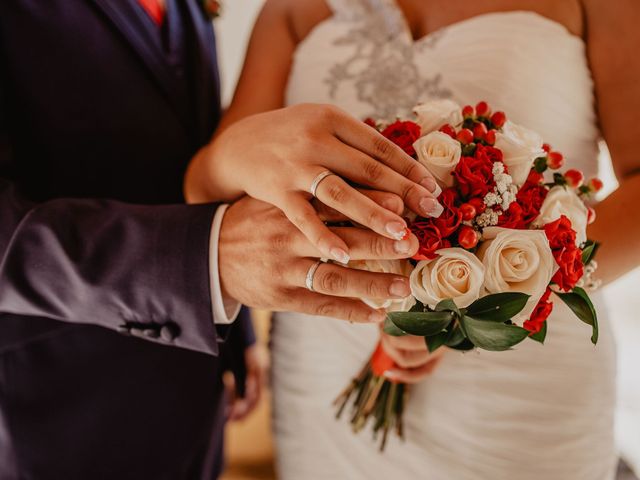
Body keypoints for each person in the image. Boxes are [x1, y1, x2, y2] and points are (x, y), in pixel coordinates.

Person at [184, 0, 640, 479]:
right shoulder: (292, 10)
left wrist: (488, 301)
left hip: (521, 383)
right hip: (328, 361)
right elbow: (207, 191)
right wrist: (235, 153)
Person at [0, 0, 442, 478]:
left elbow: (193, 156)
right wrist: (207, 259)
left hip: (197, 386)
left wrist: (235, 332)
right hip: (55, 405)